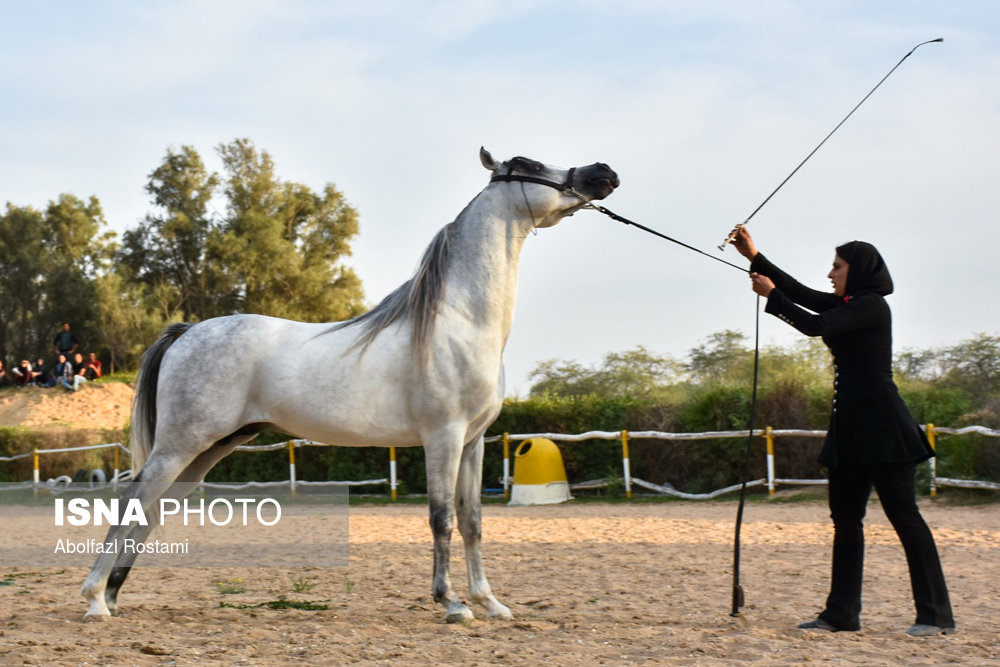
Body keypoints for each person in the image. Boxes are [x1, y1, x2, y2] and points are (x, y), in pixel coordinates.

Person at [732, 225, 955, 638]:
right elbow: (800, 293)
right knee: (846, 520)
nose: (830, 273)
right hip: (850, 432)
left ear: (859, 270)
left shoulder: (871, 307)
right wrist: (753, 256)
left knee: (905, 518)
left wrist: (772, 297)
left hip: (885, 432)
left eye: (837, 266)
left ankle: (936, 615)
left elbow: (814, 324)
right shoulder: (849, 303)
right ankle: (841, 615)